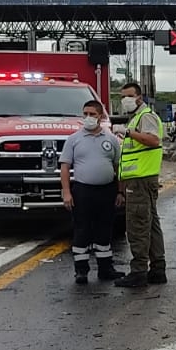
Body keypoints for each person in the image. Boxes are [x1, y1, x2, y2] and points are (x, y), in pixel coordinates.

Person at [60, 100, 124, 284]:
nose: (88, 118)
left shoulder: (111, 139)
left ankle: (106, 269)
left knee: (105, 228)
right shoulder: (74, 139)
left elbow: (118, 166)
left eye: (92, 114)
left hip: (107, 191)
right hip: (82, 191)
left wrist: (120, 192)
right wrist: (67, 192)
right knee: (82, 229)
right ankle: (81, 270)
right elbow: (65, 167)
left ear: (100, 117)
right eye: (85, 114)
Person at [115, 81, 166, 288]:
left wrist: (128, 133)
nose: (125, 100)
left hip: (140, 181)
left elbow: (153, 140)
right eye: (122, 97)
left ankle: (138, 272)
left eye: (128, 96)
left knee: (137, 226)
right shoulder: (136, 118)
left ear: (139, 97)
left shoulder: (145, 117)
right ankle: (157, 269)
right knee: (151, 224)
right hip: (142, 180)